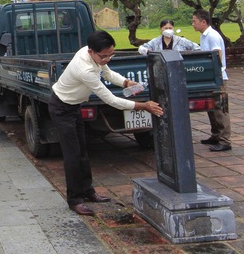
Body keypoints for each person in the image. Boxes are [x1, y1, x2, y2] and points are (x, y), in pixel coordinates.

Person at [49, 30, 163, 216]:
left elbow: (108, 73)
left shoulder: (96, 57)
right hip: (61, 109)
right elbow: (110, 99)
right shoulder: (83, 69)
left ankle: (88, 191)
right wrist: (144, 106)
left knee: (82, 151)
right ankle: (74, 199)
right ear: (91, 52)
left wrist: (126, 83)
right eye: (104, 56)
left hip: (74, 106)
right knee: (72, 155)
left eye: (111, 54)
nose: (107, 59)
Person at [192, 9, 231, 152]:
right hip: (210, 78)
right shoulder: (204, 35)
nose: (193, 24)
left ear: (203, 22)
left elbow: (217, 57)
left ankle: (225, 140)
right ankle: (216, 135)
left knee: (220, 109)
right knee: (212, 108)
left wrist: (214, 76)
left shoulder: (212, 36)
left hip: (217, 77)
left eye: (194, 21)